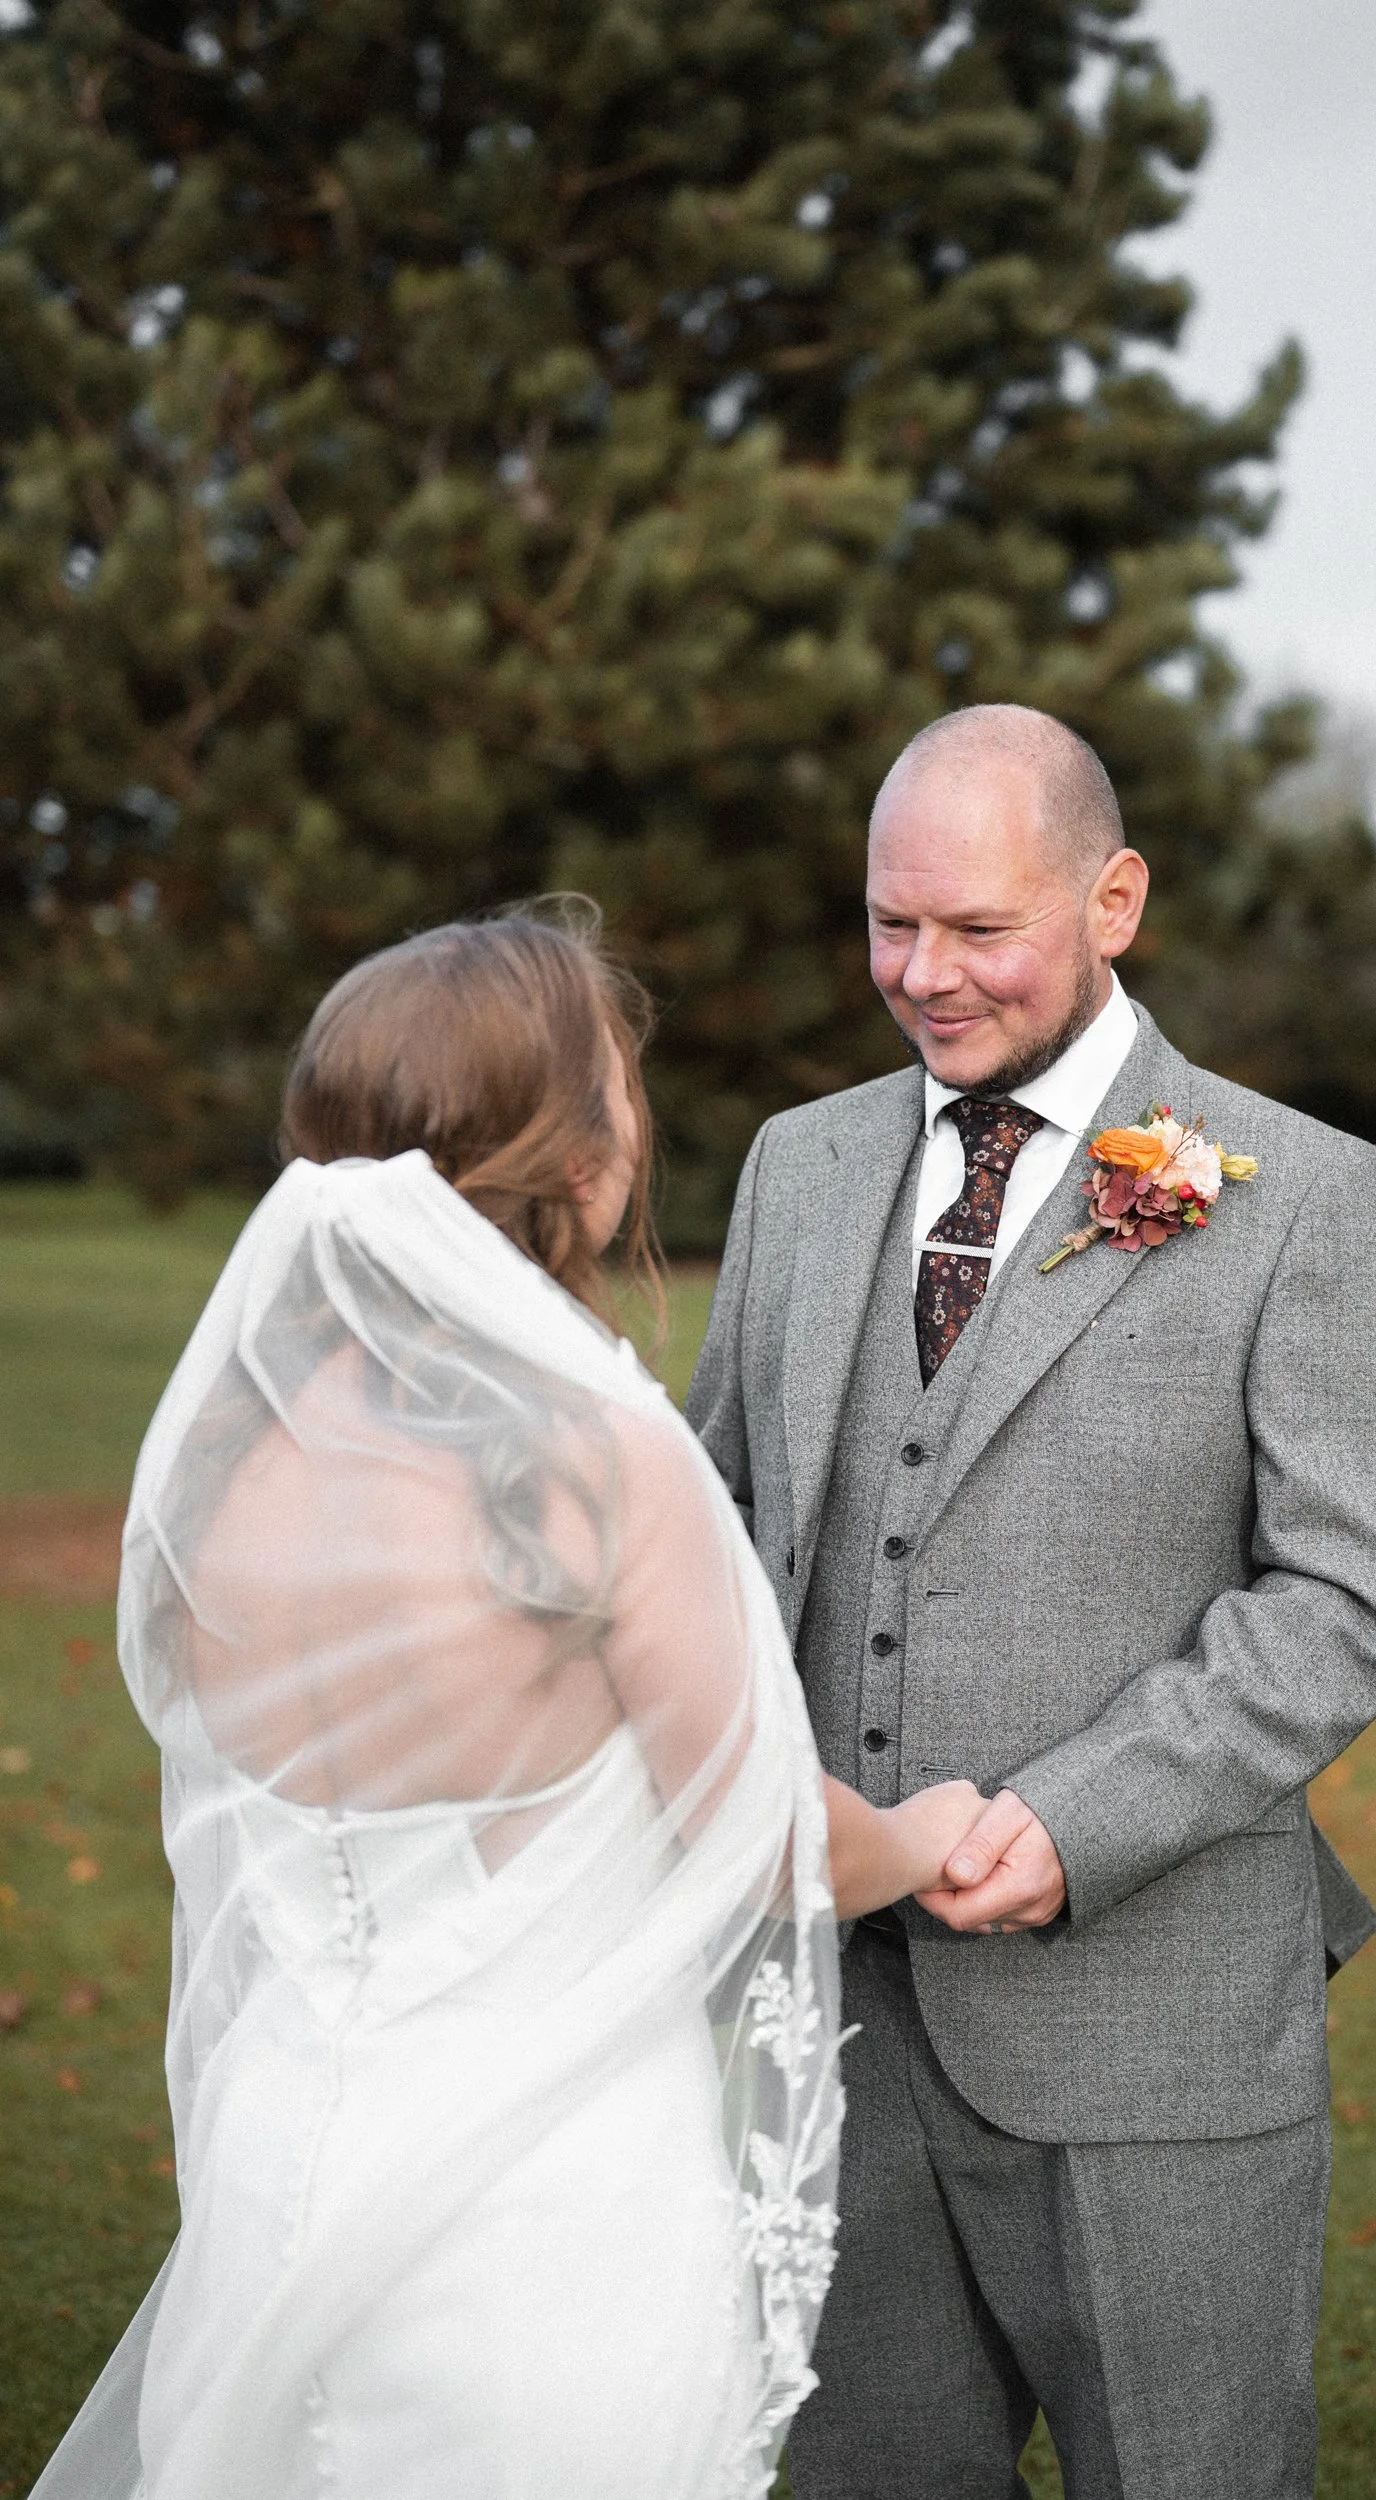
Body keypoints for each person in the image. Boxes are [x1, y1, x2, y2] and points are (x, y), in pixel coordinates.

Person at [32, 902, 982, 2500]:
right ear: (572, 1151)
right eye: (616, 1080)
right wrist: (919, 1832)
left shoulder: (224, 1456)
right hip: (541, 2203)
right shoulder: (589, 1456)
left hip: (286, 2155)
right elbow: (757, 1836)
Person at [687, 705, 1376, 2500]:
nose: (920, 977)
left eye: (975, 930)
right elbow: (714, 1523)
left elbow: (1341, 1591)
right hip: (824, 2026)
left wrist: (1074, 1820)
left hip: (1149, 2030)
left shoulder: (1305, 1197)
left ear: (1114, 900)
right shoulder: (798, 1167)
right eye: (888, 924)